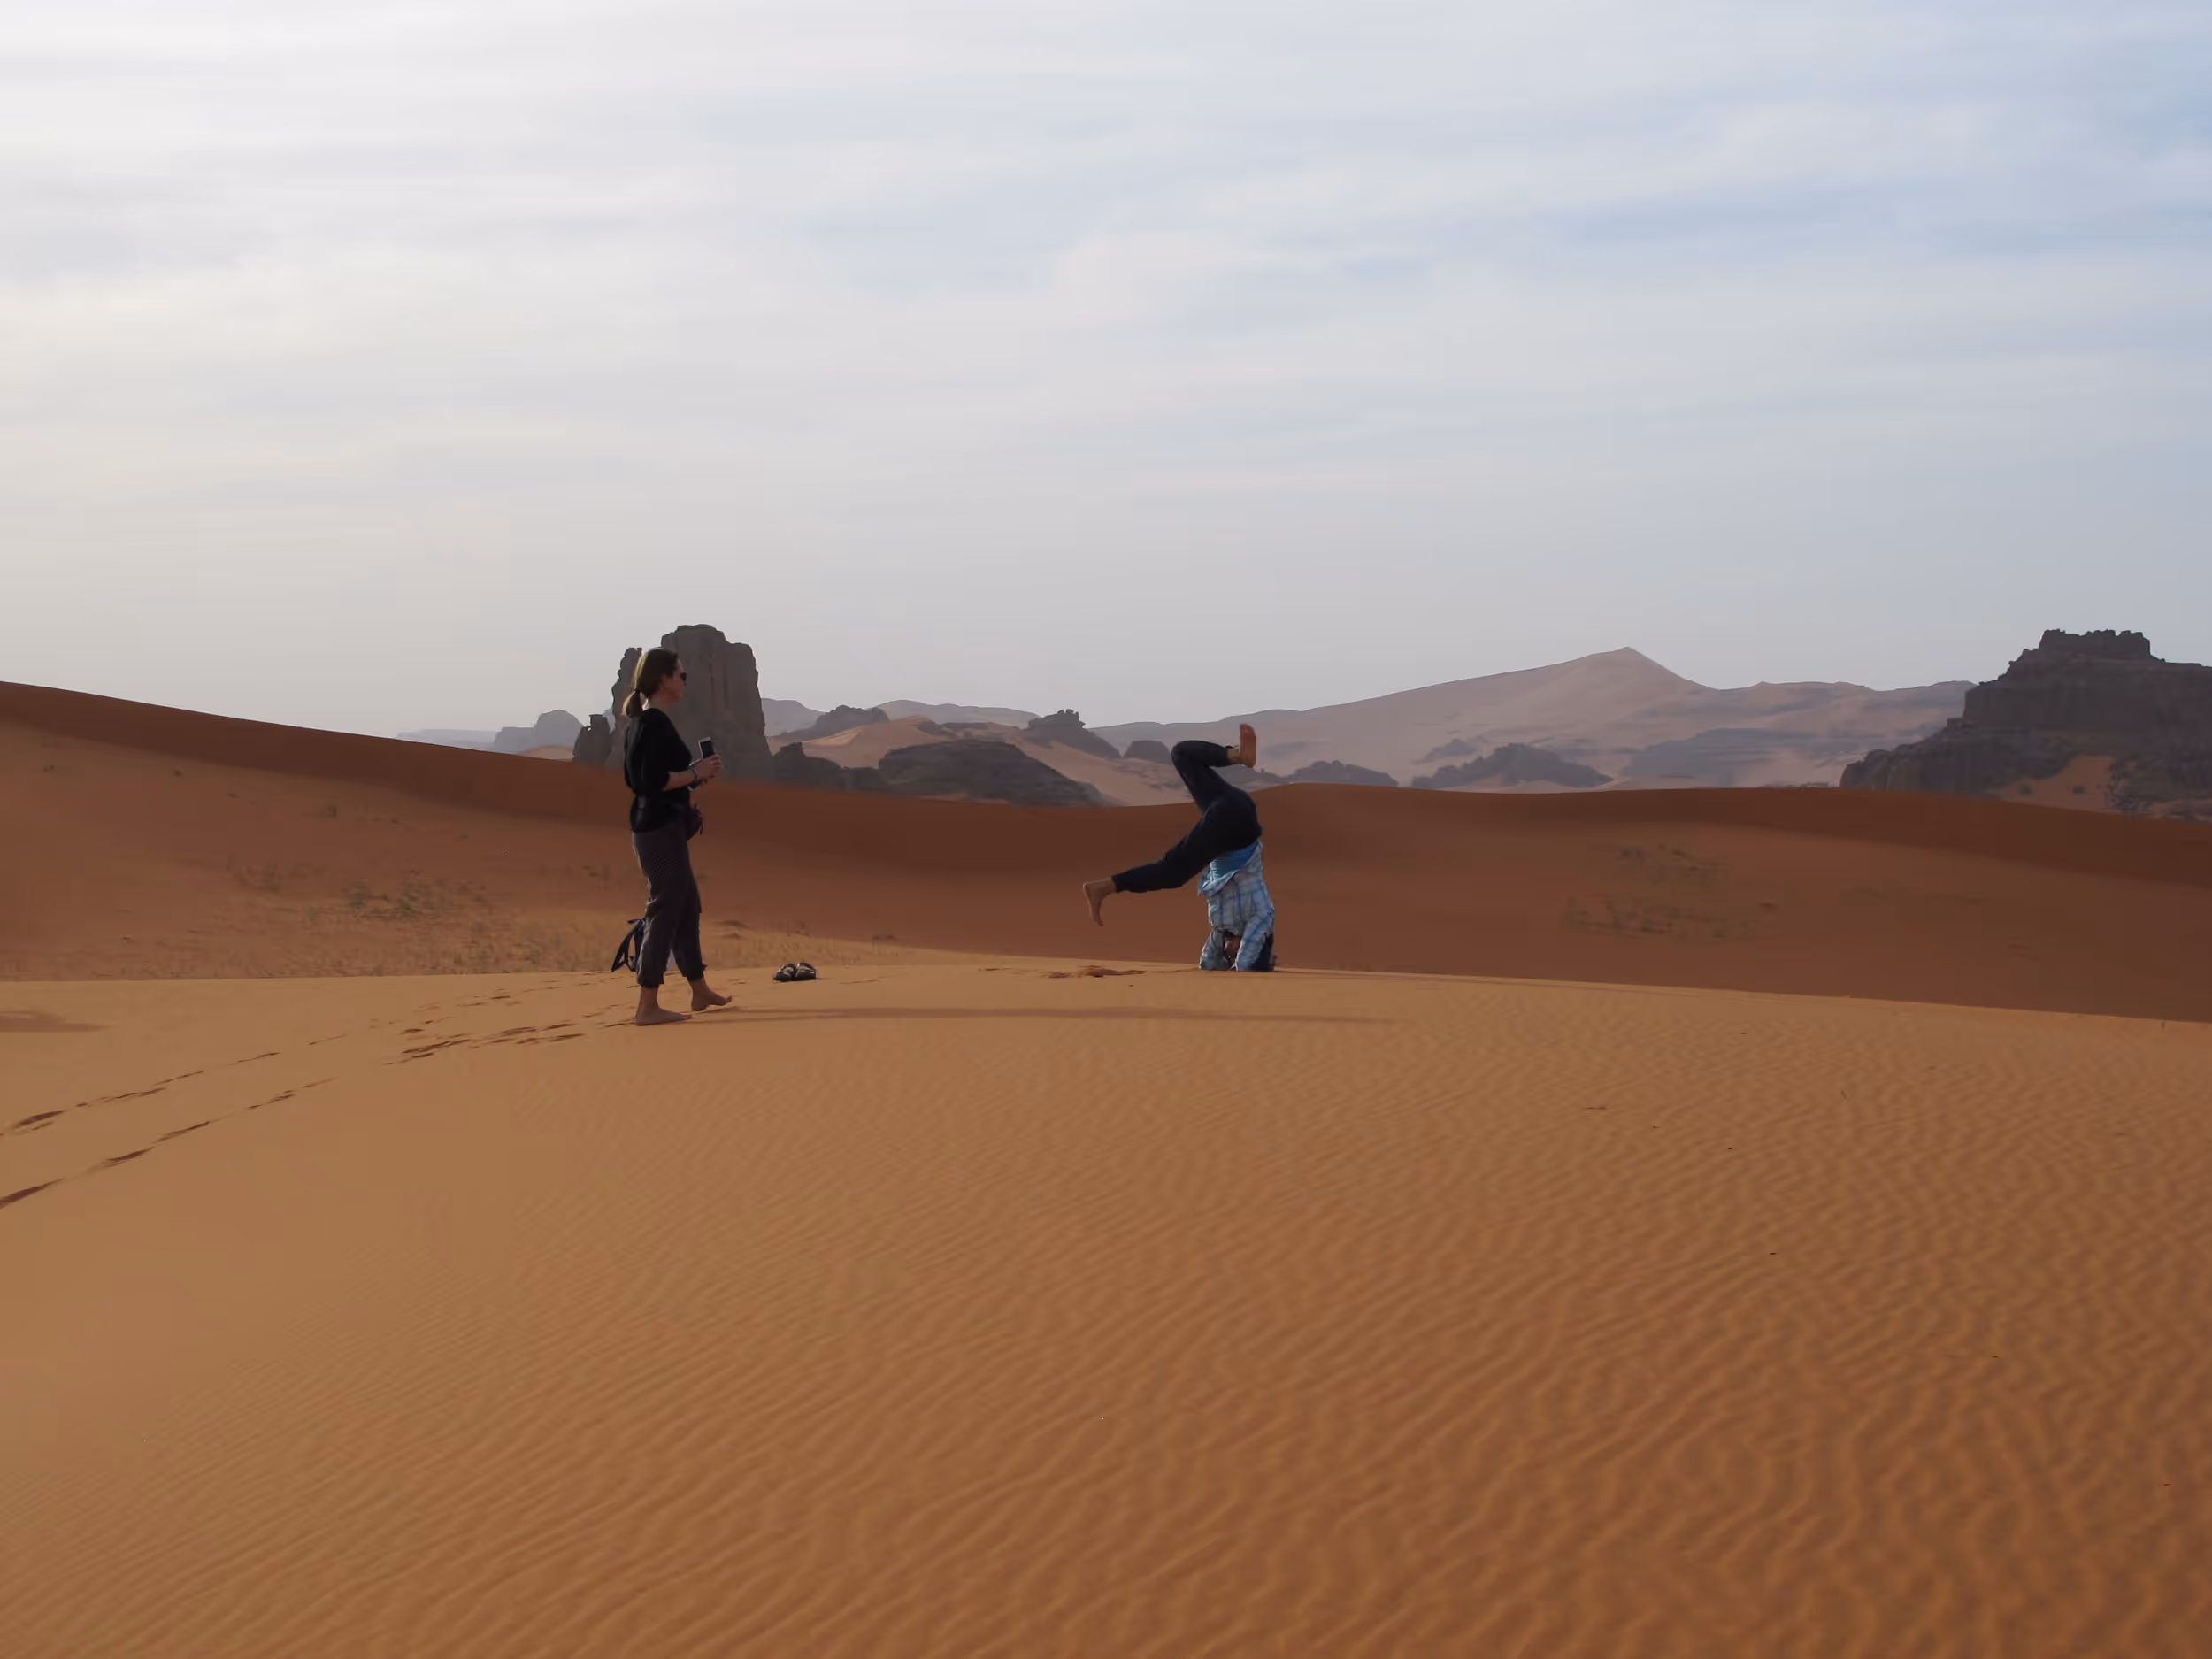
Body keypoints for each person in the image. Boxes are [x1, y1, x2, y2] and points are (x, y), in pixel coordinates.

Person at [1083, 723, 1275, 971]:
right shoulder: (1262, 917)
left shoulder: (1221, 925)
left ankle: (1236, 755)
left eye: (1227, 952)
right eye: (1232, 952)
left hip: (1230, 813)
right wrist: (1244, 966)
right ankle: (1105, 887)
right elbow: (1250, 954)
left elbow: (1208, 959)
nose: (1229, 950)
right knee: (1171, 873)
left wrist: (1219, 962)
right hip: (1236, 826)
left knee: (1182, 754)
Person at [620, 649, 733, 1025]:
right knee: (666, 906)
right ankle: (647, 1005)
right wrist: (696, 773)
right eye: (681, 675)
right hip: (657, 829)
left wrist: (693, 775)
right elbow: (650, 782)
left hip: (660, 827)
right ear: (664, 679)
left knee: (687, 905)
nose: (685, 681)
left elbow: (650, 777)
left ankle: (698, 989)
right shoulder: (652, 723)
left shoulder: (646, 722)